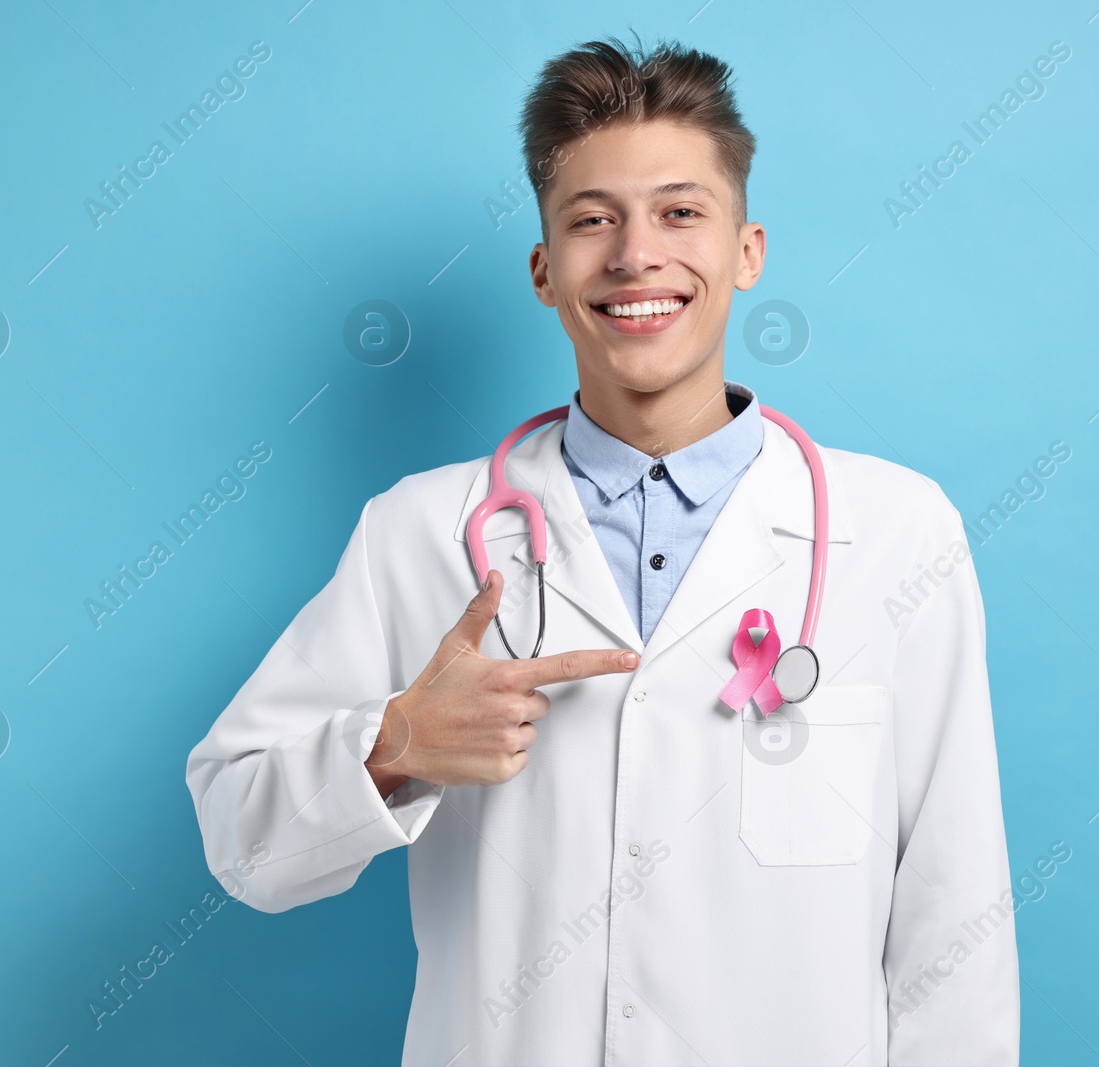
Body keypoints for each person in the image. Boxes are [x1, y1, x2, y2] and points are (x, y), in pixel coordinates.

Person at [186, 34, 1018, 1066]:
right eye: (591, 220)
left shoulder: (896, 533)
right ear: (543, 269)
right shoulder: (419, 534)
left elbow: (954, 910)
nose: (635, 256)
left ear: (746, 249)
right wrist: (390, 742)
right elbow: (240, 838)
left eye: (679, 211)